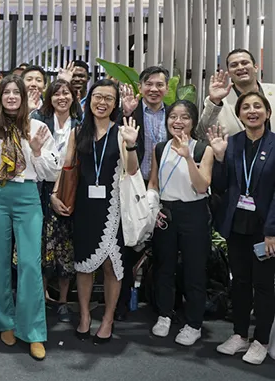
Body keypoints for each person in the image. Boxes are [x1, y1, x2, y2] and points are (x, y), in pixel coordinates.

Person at [0, 75, 61, 361]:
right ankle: (3, 322)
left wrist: (36, 151)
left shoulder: (38, 127)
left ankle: (33, 331)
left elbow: (51, 173)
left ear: (24, 97)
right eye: (6, 92)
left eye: (16, 92)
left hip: (27, 197)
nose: (11, 96)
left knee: (29, 265)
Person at [51, 80, 140, 346]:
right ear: (89, 100)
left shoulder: (122, 132)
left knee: (112, 265)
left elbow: (132, 170)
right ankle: (86, 316)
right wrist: (55, 195)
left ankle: (109, 318)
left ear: (115, 105)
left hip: (113, 208)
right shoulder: (78, 132)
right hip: (85, 207)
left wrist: (132, 145)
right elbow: (67, 168)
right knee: (84, 264)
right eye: (97, 97)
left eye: (108, 99)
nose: (102, 102)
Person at [208, 92, 275, 365]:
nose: (252, 111)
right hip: (236, 227)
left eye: (257, 106)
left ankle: (261, 340)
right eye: (246, 107)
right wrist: (221, 158)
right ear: (239, 114)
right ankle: (239, 335)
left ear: (267, 113)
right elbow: (222, 187)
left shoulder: (274, 144)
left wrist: (272, 231)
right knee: (240, 283)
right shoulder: (232, 143)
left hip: (264, 231)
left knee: (263, 285)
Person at [147, 100, 213, 346]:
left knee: (194, 269)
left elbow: (202, 186)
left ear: (193, 121)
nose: (178, 121)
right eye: (173, 116)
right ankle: (164, 314)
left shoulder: (201, 149)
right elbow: (153, 183)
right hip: (166, 213)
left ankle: (194, 323)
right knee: (164, 266)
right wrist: (153, 209)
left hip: (193, 212)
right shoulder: (160, 148)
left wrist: (187, 158)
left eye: (184, 117)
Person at [118, 66, 170, 321]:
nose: (154, 89)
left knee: (163, 251)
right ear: (141, 87)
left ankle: (162, 308)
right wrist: (125, 113)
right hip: (134, 188)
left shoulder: (174, 116)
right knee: (129, 247)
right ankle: (122, 304)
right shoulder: (130, 112)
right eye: (149, 84)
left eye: (159, 84)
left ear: (166, 89)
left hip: (166, 191)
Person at [31, 79, 81, 323]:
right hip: (43, 190)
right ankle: (40, 296)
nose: (62, 97)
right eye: (57, 94)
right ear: (49, 98)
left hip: (72, 189)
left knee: (66, 244)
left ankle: (63, 300)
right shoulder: (40, 124)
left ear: (74, 97)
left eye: (67, 93)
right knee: (43, 244)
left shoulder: (81, 125)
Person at [200, 48, 275, 137]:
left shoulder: (273, 91)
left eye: (244, 63)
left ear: (255, 68)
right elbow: (202, 134)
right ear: (229, 73)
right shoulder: (218, 101)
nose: (240, 67)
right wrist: (214, 102)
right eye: (234, 65)